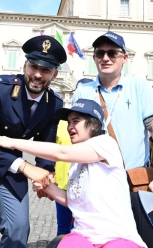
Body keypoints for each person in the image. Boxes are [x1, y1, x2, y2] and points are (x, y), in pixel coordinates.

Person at [0, 99, 147, 248]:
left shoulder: (106, 144)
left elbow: (61, 152)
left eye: (76, 121)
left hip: (117, 237)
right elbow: (72, 200)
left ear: (94, 125)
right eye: (68, 122)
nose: (70, 127)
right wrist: (46, 185)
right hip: (83, 236)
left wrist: (13, 143)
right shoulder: (75, 164)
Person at [0, 35, 67, 248]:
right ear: (24, 65)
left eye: (45, 70)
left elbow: (45, 144)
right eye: (33, 66)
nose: (37, 74)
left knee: (19, 229)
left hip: (10, 172)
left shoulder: (53, 103)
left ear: (55, 74)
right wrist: (27, 168)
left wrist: (46, 173)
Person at [72, 31, 153, 247]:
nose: (105, 58)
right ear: (94, 57)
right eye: (100, 53)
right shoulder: (82, 91)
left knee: (147, 240)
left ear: (124, 58)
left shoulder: (139, 87)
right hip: (94, 185)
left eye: (112, 53)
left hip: (135, 182)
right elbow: (74, 137)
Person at [54, 78, 93, 236]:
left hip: (87, 187)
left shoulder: (95, 127)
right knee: (63, 226)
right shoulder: (62, 123)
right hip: (63, 183)